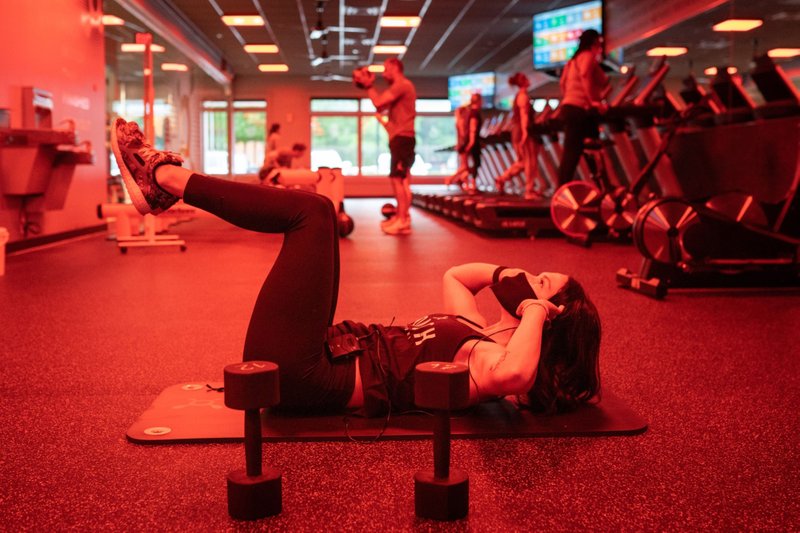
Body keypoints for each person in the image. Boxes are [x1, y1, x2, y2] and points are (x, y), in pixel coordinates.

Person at [110, 117, 601, 417]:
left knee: (314, 212)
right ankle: (162, 182)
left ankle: (162, 177)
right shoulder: (479, 333)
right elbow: (456, 276)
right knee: (319, 211)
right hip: (321, 351)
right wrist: (504, 277)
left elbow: (517, 376)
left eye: (542, 283)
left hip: (305, 376)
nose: (531, 279)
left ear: (550, 316)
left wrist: (534, 308)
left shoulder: (489, 366)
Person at [355, 58, 417, 235]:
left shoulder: (402, 85)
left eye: (386, 69)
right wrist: (369, 85)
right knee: (399, 179)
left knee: (399, 180)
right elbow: (380, 108)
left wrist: (368, 85)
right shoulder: (398, 88)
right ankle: (401, 217)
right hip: (400, 138)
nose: (383, 73)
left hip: (403, 139)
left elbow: (378, 103)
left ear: (395, 68)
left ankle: (403, 220)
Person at [557, 29, 610, 185]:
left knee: (572, 152)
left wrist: (570, 97)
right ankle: (600, 185)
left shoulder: (572, 61)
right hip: (578, 109)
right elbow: (586, 76)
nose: (600, 47)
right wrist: (592, 101)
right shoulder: (587, 57)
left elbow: (562, 84)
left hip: (568, 106)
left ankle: (569, 189)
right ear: (594, 42)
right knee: (576, 152)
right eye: (599, 43)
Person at [495, 72, 547, 199]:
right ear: (522, 82)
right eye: (526, 78)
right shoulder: (523, 96)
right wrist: (525, 133)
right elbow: (524, 116)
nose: (528, 79)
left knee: (523, 162)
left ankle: (502, 179)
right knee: (529, 162)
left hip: (518, 131)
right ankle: (529, 190)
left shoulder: (520, 95)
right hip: (523, 131)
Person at [446, 93, 483, 192]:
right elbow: (473, 129)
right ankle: (455, 180)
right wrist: (471, 142)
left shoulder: (466, 114)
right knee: (474, 164)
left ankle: (463, 181)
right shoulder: (473, 113)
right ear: (479, 101)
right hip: (469, 143)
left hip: (463, 143)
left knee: (465, 166)